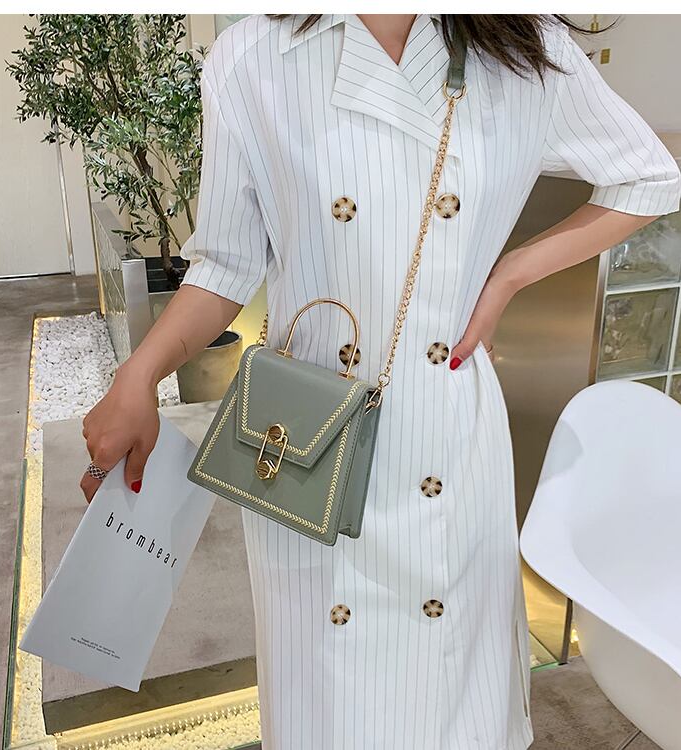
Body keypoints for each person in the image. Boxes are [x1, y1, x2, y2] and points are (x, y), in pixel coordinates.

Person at [80, 14, 681, 750]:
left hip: (447, 434)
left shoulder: (526, 51)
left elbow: (648, 177)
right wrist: (140, 373)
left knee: (452, 708)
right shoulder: (254, 57)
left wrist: (507, 276)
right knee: (329, 710)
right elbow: (226, 264)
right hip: (304, 451)